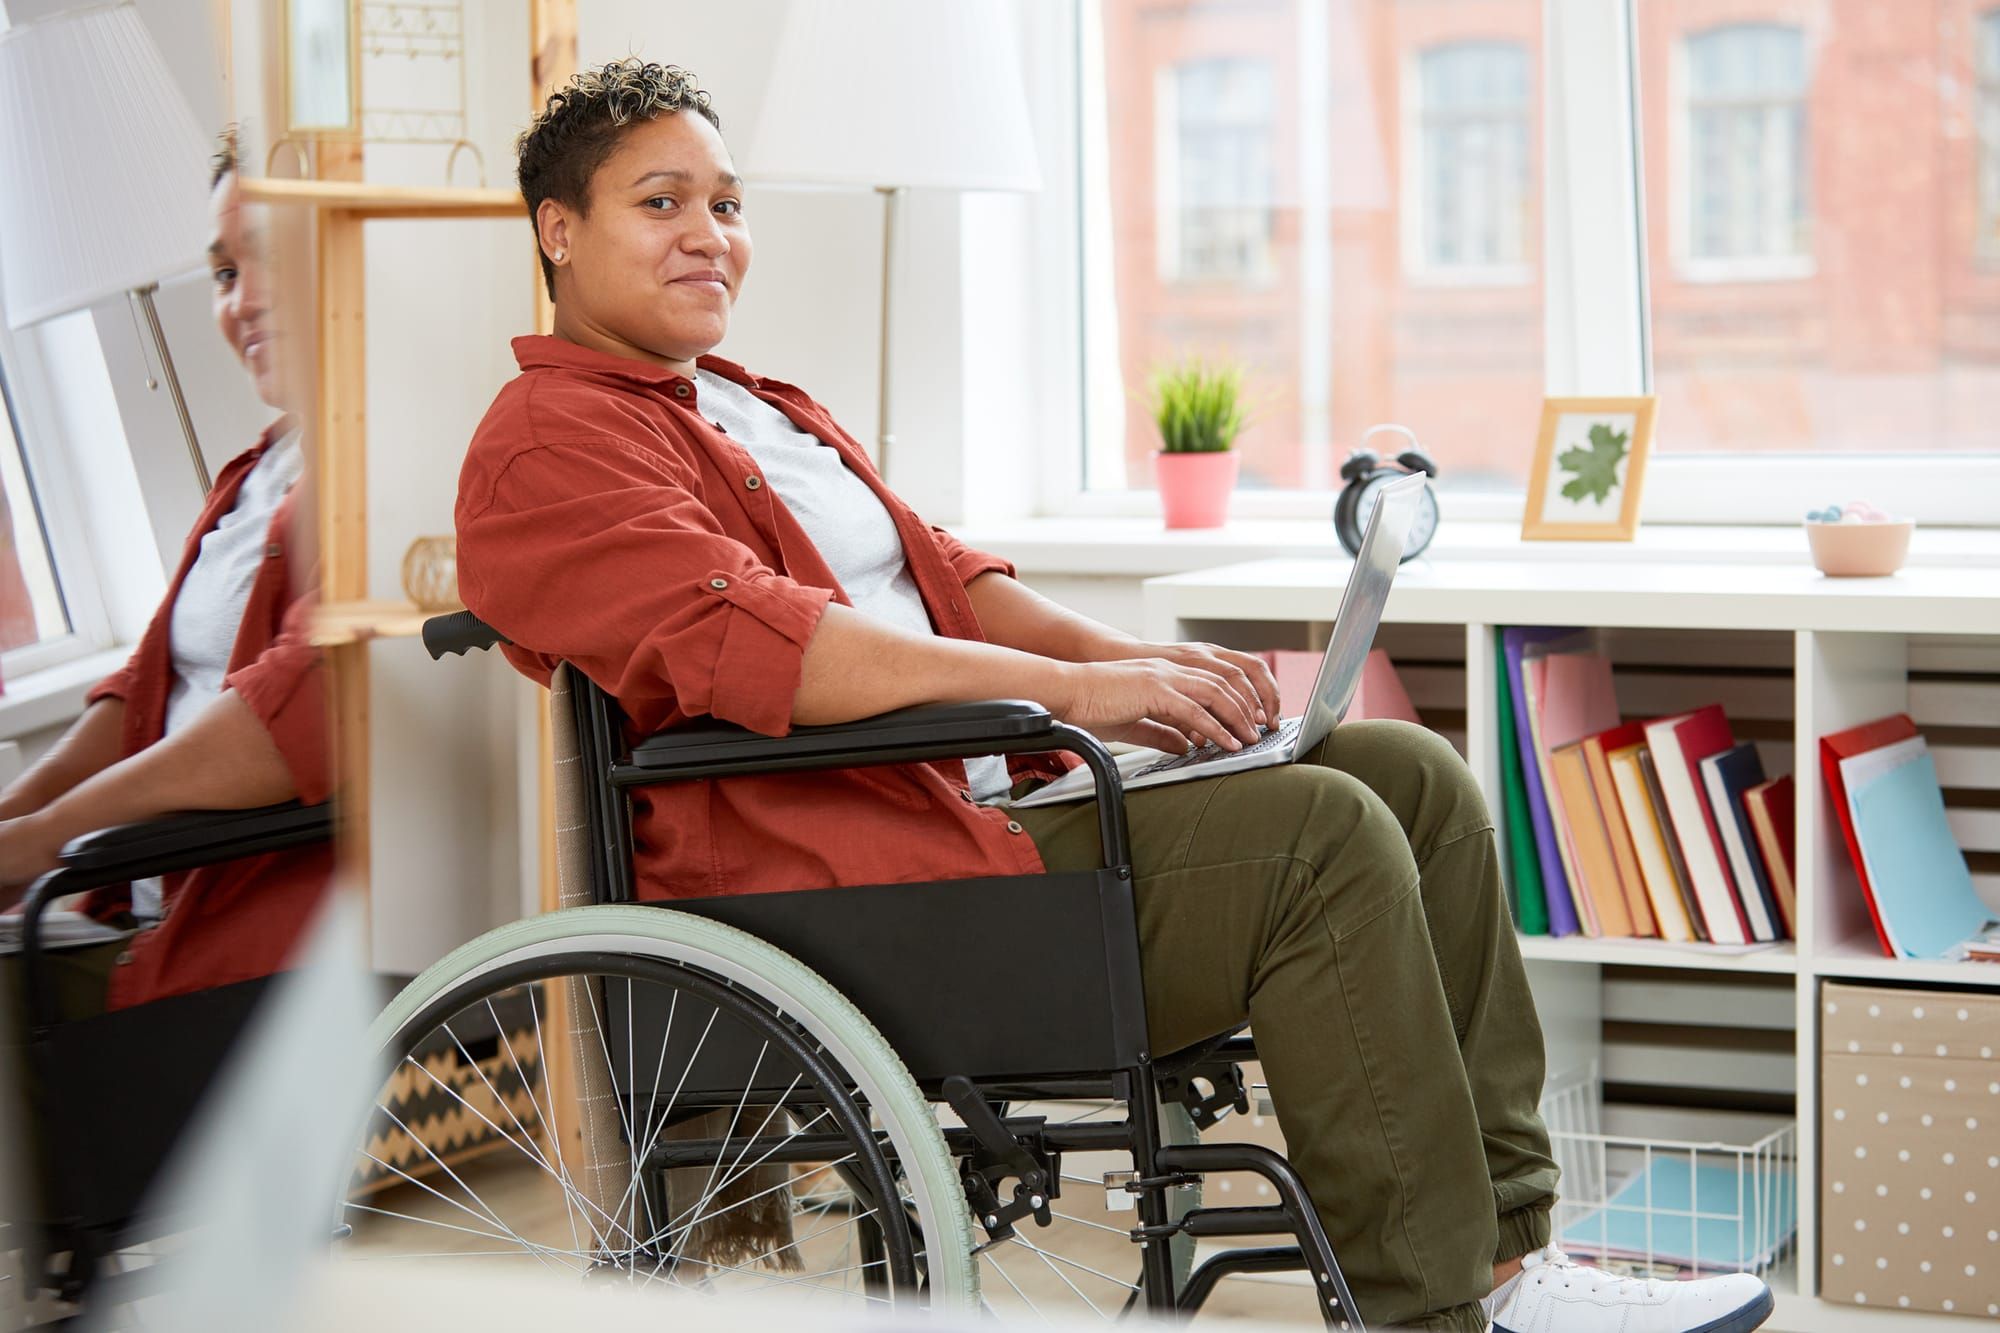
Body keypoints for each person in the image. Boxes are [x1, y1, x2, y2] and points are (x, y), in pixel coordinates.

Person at [454, 60, 1773, 1333]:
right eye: (662, 202)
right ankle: (1431, 1313)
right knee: (1325, 844)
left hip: (977, 809)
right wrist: (1087, 691)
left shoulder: (758, 406)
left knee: (1411, 780)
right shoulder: (548, 443)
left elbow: (956, 583)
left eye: (727, 203)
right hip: (869, 882)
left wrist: (1164, 676)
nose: (710, 236)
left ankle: (1509, 1259)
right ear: (558, 232)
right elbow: (777, 646)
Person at [0, 130, 332, 1023]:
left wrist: (38, 843)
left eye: (271, 254)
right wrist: (14, 820)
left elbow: (292, 716)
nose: (244, 300)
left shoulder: (391, 469)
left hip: (272, 946)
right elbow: (146, 688)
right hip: (145, 902)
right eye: (225, 272)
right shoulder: (257, 471)